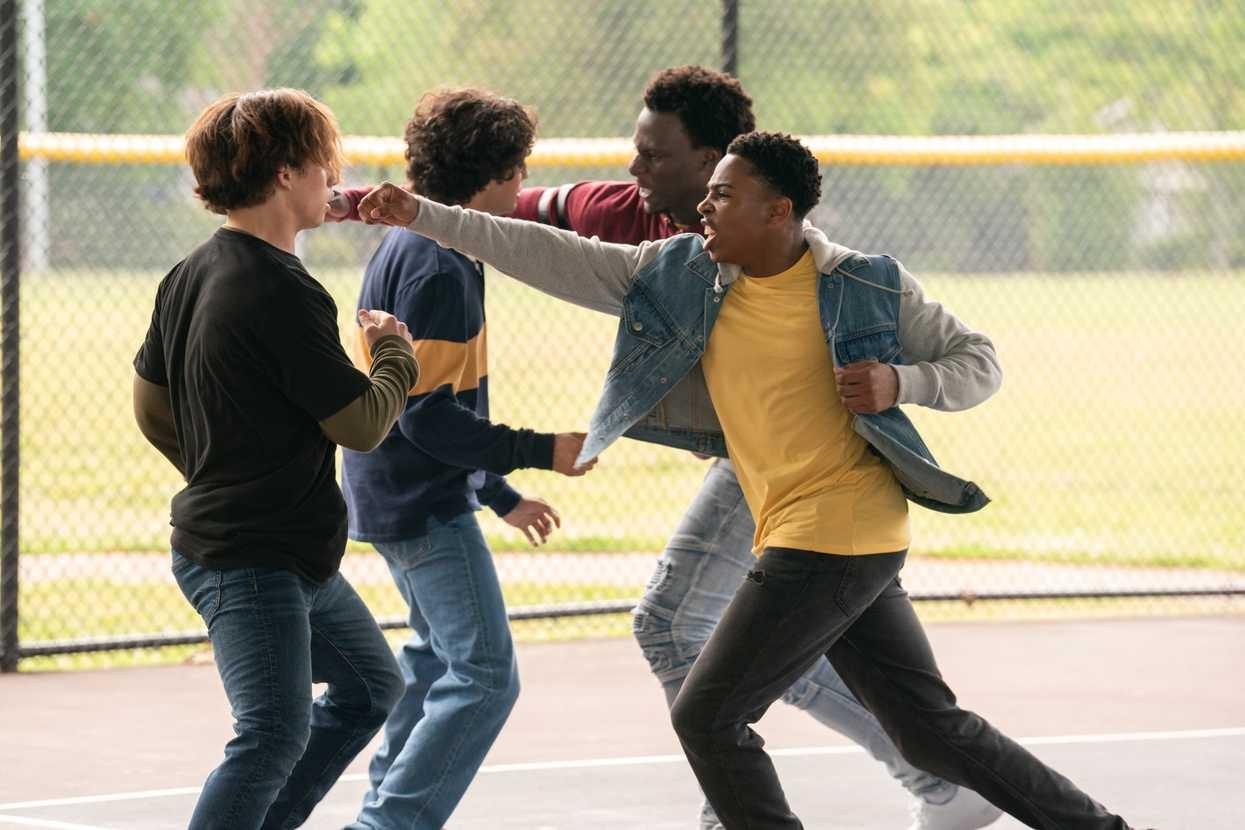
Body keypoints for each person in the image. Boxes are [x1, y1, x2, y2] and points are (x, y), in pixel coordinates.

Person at [354, 130, 1142, 830]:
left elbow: (979, 361)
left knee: (706, 716)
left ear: (777, 211)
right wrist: (422, 214)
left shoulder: (865, 284)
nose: (704, 206)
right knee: (928, 729)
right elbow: (540, 250)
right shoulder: (682, 275)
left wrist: (902, 383)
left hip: (835, 532)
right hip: (825, 537)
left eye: (723, 195)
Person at [510, 64, 999, 830]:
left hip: (802, 471)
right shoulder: (630, 208)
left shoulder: (793, 253)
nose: (635, 168)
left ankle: (784, 804)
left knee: (676, 626)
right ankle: (936, 780)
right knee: (755, 648)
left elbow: (962, 355)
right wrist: (423, 209)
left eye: (655, 155)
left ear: (713, 165)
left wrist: (899, 383)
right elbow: (516, 210)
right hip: (758, 465)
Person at [131, 89, 417, 830]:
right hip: (252, 557)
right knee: (272, 734)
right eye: (325, 165)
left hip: (282, 551)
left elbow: (150, 406)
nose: (336, 179)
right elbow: (361, 425)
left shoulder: (190, 271)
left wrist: (219, 464)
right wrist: (395, 355)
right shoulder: (284, 291)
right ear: (287, 173)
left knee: (370, 688)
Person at [338, 88, 595, 830]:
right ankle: (387, 824)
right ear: (488, 177)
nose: (523, 185)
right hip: (421, 504)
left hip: (393, 491)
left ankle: (383, 810)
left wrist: (499, 492)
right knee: (485, 677)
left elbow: (435, 403)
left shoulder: (413, 244)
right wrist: (542, 450)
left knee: (432, 661)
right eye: (517, 171)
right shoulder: (440, 267)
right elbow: (428, 417)